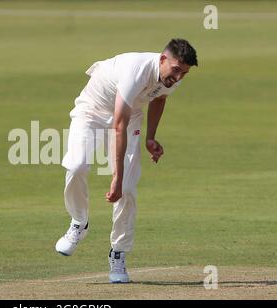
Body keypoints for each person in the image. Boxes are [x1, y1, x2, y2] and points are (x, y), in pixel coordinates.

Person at [55, 38, 198, 283]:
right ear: (163, 59)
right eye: (176, 70)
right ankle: (79, 222)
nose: (179, 77)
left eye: (184, 73)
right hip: (93, 109)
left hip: (131, 117)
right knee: (77, 166)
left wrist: (150, 138)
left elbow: (159, 99)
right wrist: (115, 179)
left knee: (129, 190)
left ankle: (118, 253)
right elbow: (117, 126)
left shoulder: (171, 78)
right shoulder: (136, 70)